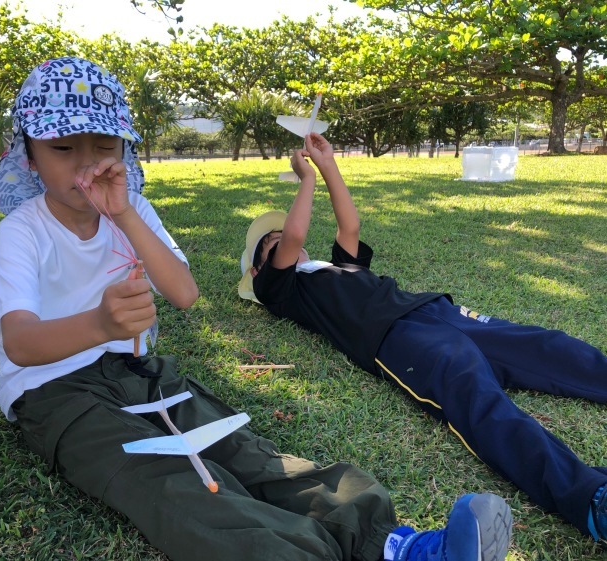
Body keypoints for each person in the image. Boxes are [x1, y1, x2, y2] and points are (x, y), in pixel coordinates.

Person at [0, 57, 512, 561]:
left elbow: (184, 293)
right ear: (28, 156)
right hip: (53, 392)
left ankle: (399, 546)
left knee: (245, 452)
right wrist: (99, 323)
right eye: (62, 148)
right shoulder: (23, 231)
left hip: (138, 370)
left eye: (104, 145)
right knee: (170, 484)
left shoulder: (133, 208)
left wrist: (123, 214)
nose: (87, 163)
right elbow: (21, 343)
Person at [238, 131, 607, 543]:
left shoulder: (334, 266)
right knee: (477, 399)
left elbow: (350, 225)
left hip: (434, 310)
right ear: (258, 273)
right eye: (268, 246)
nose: (280, 240)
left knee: (542, 346)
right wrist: (305, 180)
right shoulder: (282, 292)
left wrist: (328, 167)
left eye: (276, 236)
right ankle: (589, 498)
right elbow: (293, 237)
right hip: (395, 340)